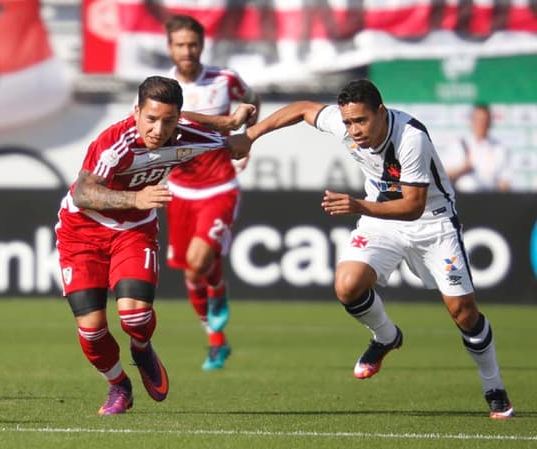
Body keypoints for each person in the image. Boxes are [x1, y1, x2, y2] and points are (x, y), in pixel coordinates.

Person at [227, 79, 515, 419]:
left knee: (463, 313)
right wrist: (251, 135)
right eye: (348, 122)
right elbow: (302, 108)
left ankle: (493, 384)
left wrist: (357, 205)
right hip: (381, 221)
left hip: (432, 224)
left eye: (360, 121)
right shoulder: (347, 123)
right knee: (347, 285)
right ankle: (386, 337)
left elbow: (412, 206)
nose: (353, 130)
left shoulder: (411, 138)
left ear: (380, 112)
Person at [55, 75, 253, 415]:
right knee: (91, 329)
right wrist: (137, 196)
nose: (158, 130)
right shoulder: (114, 143)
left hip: (133, 230)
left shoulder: (190, 135)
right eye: (151, 119)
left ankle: (141, 347)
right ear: (136, 112)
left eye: (168, 121)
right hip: (82, 232)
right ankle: (119, 385)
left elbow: (235, 134)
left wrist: (246, 134)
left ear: (179, 118)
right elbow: (82, 193)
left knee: (136, 316)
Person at [163, 14, 261, 370]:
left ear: (202, 45)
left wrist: (245, 139)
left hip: (219, 185)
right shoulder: (162, 89)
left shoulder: (225, 79)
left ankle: (217, 301)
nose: (187, 51)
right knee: (192, 272)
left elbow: (251, 100)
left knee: (198, 264)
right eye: (180, 44)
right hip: (179, 190)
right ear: (169, 47)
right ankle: (216, 340)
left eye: (193, 44)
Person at [443, 103, 511, 192]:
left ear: (490, 122)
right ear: (472, 121)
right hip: (463, 198)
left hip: (490, 198)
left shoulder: (500, 148)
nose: (481, 124)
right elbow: (444, 175)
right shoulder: (459, 145)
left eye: (484, 120)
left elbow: (505, 180)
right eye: (478, 120)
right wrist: (462, 169)